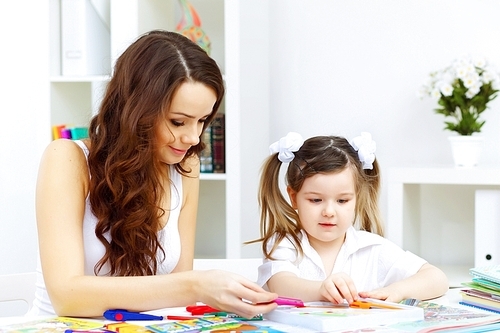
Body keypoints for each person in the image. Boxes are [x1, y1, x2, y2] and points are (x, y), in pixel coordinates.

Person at [30, 30, 277, 318]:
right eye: (178, 121)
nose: (193, 138)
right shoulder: (68, 159)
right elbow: (67, 297)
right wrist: (195, 284)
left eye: (202, 121)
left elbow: (175, 298)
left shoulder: (186, 169)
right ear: (136, 111)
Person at [254, 132, 448, 305]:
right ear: (294, 197)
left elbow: (436, 278)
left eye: (342, 200)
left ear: (357, 198)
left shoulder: (372, 248)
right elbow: (282, 284)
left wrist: (396, 291)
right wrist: (321, 289)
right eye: (315, 200)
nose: (329, 211)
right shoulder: (284, 244)